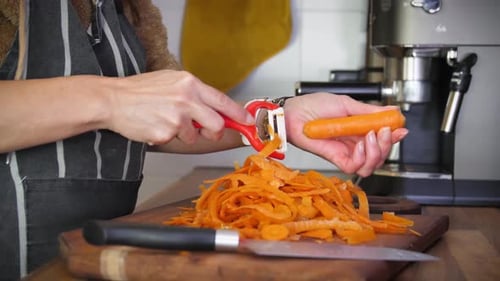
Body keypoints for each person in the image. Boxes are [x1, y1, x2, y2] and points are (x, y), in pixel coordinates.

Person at [0, 0, 408, 279]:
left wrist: (280, 117)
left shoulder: (129, 5)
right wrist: (111, 99)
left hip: (110, 257)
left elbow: (172, 119)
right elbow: (125, 106)